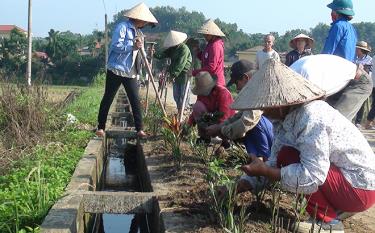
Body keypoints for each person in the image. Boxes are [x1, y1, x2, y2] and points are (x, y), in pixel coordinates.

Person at [232, 58, 375, 233]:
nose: (263, 112)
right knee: (286, 155)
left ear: (279, 102)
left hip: (360, 188)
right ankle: (335, 208)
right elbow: (274, 160)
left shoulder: (310, 116)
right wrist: (241, 184)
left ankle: (329, 223)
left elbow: (313, 175)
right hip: (347, 183)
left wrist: (267, 172)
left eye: (265, 106)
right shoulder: (285, 118)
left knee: (289, 157)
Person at [96, 3, 158, 138]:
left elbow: (139, 53)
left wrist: (147, 58)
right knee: (108, 98)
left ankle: (139, 129)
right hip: (117, 69)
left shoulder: (139, 33)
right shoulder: (122, 27)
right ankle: (101, 127)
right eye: (145, 21)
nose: (145, 24)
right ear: (139, 19)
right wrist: (132, 46)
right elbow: (116, 46)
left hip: (131, 72)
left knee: (135, 100)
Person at [205, 60, 273, 160]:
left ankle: (264, 160)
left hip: (277, 141)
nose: (237, 88)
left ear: (246, 78)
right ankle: (256, 159)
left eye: (237, 83)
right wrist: (221, 126)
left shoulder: (259, 92)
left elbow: (245, 123)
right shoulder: (253, 91)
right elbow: (240, 115)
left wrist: (221, 130)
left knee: (256, 123)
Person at [290, 54, 372, 121]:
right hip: (341, 79)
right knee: (324, 117)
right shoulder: (292, 70)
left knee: (337, 120)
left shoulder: (310, 79)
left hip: (359, 81)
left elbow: (314, 103)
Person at [187, 71, 235, 142]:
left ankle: (225, 140)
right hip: (211, 118)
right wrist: (188, 125)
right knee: (197, 106)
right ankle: (205, 137)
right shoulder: (201, 94)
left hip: (226, 122)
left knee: (222, 121)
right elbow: (196, 111)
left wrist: (217, 128)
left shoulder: (223, 93)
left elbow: (225, 115)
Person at [154, 30, 192, 112]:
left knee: (183, 94)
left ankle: (184, 111)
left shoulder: (183, 48)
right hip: (175, 74)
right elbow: (163, 54)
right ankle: (179, 110)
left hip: (184, 74)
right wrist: (154, 54)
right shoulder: (172, 49)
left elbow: (180, 63)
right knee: (176, 95)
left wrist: (173, 75)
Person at [192, 19, 226, 86]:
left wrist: (194, 72)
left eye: (207, 35)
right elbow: (205, 58)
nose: (205, 37)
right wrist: (198, 52)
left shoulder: (215, 46)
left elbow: (211, 67)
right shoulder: (210, 44)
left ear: (213, 34)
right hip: (209, 81)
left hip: (215, 83)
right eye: (204, 34)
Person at [354, 41, 373, 127]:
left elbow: (367, 71)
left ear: (360, 50)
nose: (355, 50)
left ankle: (358, 121)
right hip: (353, 81)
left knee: (362, 102)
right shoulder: (354, 58)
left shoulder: (369, 60)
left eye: (357, 49)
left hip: (363, 83)